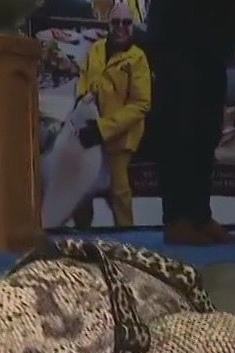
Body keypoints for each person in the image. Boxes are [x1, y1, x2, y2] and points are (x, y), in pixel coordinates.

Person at [145, 0, 235, 245]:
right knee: (180, 127)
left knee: (207, 129)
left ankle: (200, 216)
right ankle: (177, 219)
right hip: (178, 33)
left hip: (214, 38)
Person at [71, 2, 152, 229]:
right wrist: (82, 99)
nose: (121, 27)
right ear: (109, 24)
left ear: (132, 25)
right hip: (89, 129)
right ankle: (81, 236)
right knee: (82, 189)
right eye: (116, 22)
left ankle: (127, 238)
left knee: (119, 191)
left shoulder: (137, 59)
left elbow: (140, 105)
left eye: (126, 23)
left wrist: (104, 128)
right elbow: (83, 78)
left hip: (119, 137)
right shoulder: (95, 49)